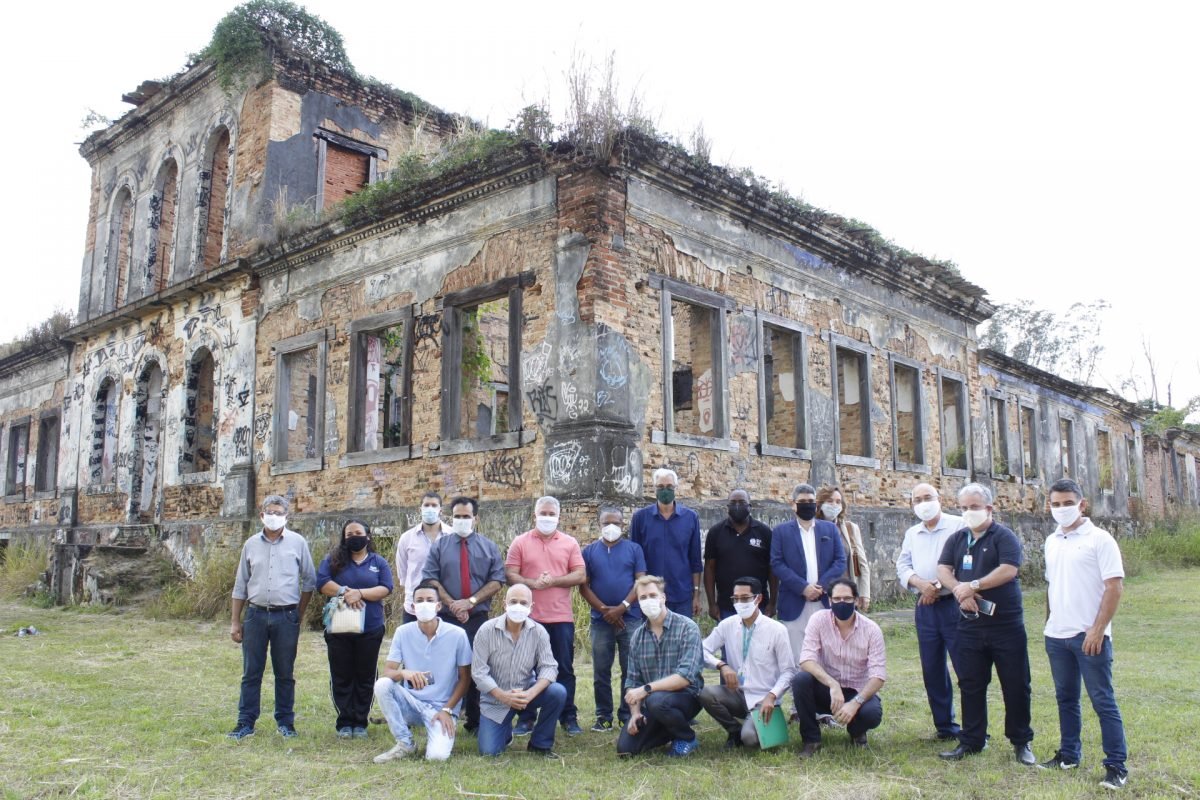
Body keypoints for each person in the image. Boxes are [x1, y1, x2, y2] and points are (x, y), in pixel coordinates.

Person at [1039, 478, 1129, 791]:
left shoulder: (1100, 540)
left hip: (1089, 636)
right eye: (1055, 503)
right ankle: (1068, 754)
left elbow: (1114, 586)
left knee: (1102, 701)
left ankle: (1116, 766)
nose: (1061, 509)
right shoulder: (1052, 541)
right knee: (1065, 698)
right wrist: (1049, 624)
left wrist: (1097, 630)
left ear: (1082, 504)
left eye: (1067, 503)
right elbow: (1052, 586)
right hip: (1057, 636)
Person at [937, 483, 1035, 766]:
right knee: (970, 684)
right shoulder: (957, 539)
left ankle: (1021, 741)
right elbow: (943, 569)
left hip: (1005, 625)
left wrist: (974, 585)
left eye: (975, 507)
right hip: (969, 625)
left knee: (1016, 684)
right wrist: (958, 589)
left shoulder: (1003, 536)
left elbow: (1009, 569)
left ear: (989, 509)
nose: (969, 512)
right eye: (964, 507)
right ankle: (972, 740)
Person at [227, 494, 317, 740]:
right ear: (262, 515)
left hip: (286, 616)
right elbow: (240, 585)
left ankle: (285, 722)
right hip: (255, 615)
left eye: (279, 513)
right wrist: (236, 621)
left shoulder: (298, 543)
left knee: (285, 673)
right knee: (251, 672)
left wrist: (298, 613)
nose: (274, 517)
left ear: (286, 516)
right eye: (270, 512)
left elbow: (310, 579)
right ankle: (245, 722)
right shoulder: (250, 545)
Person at [421, 496, 505, 734]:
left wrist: (470, 602)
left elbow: (497, 579)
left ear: (475, 518)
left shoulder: (488, 546)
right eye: (457, 516)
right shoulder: (440, 545)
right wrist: (452, 603)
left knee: (477, 667)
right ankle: (442, 714)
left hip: (477, 618)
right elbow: (430, 577)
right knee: (446, 668)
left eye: (466, 516)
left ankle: (476, 719)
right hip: (446, 618)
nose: (461, 520)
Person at [505, 496, 587, 736]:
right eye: (543, 513)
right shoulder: (520, 542)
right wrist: (532, 583)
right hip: (527, 618)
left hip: (560, 618)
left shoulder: (569, 543)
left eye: (552, 514)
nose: (547, 518)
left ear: (559, 517)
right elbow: (510, 573)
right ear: (535, 515)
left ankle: (568, 716)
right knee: (525, 669)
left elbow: (580, 574)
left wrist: (554, 581)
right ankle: (526, 717)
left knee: (564, 668)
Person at [372, 581, 473, 762]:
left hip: (441, 707)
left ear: (438, 605)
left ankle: (438, 731)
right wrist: (404, 673)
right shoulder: (403, 632)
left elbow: (465, 679)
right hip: (411, 703)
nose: (424, 604)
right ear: (412, 606)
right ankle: (405, 743)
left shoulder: (457, 635)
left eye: (429, 600)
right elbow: (388, 671)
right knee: (382, 685)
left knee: (437, 757)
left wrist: (448, 710)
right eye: (419, 600)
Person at [897, 481, 965, 741]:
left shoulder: (958, 526)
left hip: (953, 603)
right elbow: (903, 565)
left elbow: (964, 563)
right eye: (917, 500)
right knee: (932, 667)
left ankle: (972, 726)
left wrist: (935, 586)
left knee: (964, 666)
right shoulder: (913, 533)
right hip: (925, 608)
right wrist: (920, 583)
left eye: (928, 497)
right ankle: (945, 726)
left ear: (939, 498)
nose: (923, 503)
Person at [316, 519, 394, 738]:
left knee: (365, 675)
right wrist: (344, 591)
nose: (354, 537)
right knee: (341, 674)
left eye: (358, 533)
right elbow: (322, 582)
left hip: (370, 628)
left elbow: (386, 587)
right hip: (339, 627)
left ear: (368, 536)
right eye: (349, 534)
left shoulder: (378, 562)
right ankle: (344, 721)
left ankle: (360, 722)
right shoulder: (334, 560)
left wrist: (359, 594)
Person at [791, 578, 886, 756]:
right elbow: (806, 660)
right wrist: (833, 684)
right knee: (800, 680)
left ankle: (857, 732)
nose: (842, 603)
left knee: (872, 714)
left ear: (856, 600)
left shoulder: (872, 630)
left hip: (856, 690)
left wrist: (855, 703)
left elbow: (878, 676)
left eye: (847, 599)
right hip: (826, 690)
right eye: (837, 599)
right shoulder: (818, 620)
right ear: (829, 601)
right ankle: (811, 739)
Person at [471, 584, 567, 758]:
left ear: (531, 607)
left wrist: (530, 694)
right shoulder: (486, 630)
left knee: (557, 692)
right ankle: (504, 731)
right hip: (496, 700)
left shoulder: (539, 632)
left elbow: (549, 667)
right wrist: (503, 696)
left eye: (523, 603)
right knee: (489, 752)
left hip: (526, 694)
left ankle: (540, 744)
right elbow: (479, 672)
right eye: (513, 601)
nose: (518, 606)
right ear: (504, 604)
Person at [699, 576, 795, 749]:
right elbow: (702, 650)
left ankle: (753, 727)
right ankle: (734, 730)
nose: (739, 603)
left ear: (758, 598)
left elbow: (788, 671)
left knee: (750, 740)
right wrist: (722, 665)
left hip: (764, 699)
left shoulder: (776, 630)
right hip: (738, 694)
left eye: (744, 598)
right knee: (706, 694)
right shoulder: (727, 625)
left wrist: (772, 696)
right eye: (735, 599)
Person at [617, 575, 705, 757]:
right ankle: (670, 729)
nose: (648, 600)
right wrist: (635, 713)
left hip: (686, 698)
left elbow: (685, 677)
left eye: (652, 595)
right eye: (643, 598)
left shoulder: (687, 627)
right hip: (653, 703)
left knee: (656, 701)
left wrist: (647, 690)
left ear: (663, 597)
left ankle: (687, 737)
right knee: (626, 749)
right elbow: (633, 681)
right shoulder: (637, 637)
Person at [580, 506, 646, 732]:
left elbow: (640, 582)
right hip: (600, 621)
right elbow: (583, 586)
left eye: (616, 523)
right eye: (607, 522)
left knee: (631, 669)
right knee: (601, 670)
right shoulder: (589, 552)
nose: (611, 527)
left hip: (631, 619)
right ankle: (603, 716)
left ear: (623, 524)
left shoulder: (634, 549)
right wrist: (605, 611)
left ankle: (627, 713)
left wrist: (622, 608)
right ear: (598, 525)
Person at [770, 483, 847, 659]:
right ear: (793, 504)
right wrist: (803, 588)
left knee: (828, 653)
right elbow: (777, 563)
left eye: (811, 501)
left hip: (824, 600)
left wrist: (820, 586)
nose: (807, 504)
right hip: (794, 602)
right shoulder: (780, 532)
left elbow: (840, 561)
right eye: (802, 501)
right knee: (798, 657)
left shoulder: (830, 529)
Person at [630, 468, 702, 618]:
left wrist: (696, 594)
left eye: (669, 487)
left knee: (681, 639)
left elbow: (695, 559)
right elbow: (635, 559)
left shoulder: (690, 518)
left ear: (676, 488)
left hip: (681, 595)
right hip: (650, 595)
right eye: (660, 487)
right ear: (654, 488)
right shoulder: (640, 518)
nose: (665, 490)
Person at [704, 489, 776, 621]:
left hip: (758, 605)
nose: (737, 506)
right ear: (727, 507)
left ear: (750, 506)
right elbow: (709, 568)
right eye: (733, 502)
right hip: (726, 606)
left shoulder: (764, 532)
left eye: (742, 502)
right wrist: (712, 604)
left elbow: (772, 570)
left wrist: (772, 603)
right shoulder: (715, 532)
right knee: (729, 642)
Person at [395, 492, 452, 623]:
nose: (430, 508)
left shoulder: (452, 536)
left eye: (434, 505)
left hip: (445, 606)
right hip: (414, 606)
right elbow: (403, 574)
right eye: (426, 505)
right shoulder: (407, 538)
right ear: (419, 509)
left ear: (440, 510)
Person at [816, 486, 870, 611]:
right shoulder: (812, 528)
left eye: (838, 501)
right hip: (820, 592)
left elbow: (862, 563)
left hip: (845, 592)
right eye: (829, 501)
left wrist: (864, 593)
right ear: (820, 504)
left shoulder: (850, 528)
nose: (834, 505)